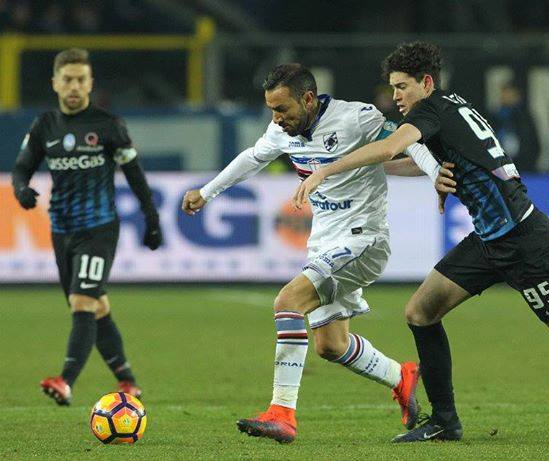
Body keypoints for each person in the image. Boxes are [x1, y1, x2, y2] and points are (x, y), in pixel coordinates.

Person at [293, 41, 549, 442]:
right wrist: (398, 173)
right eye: (393, 87)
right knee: (420, 311)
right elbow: (428, 161)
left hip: (524, 242)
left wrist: (325, 170)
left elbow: (388, 148)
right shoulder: (452, 107)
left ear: (426, 82)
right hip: (490, 240)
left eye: (402, 86)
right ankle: (444, 421)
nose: (396, 95)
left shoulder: (430, 110)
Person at [181, 63, 440, 443]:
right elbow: (253, 157)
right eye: (271, 110)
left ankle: (282, 413)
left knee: (288, 301)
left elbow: (412, 143)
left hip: (364, 239)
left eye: (282, 109)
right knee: (331, 345)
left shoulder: (356, 118)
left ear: (307, 99)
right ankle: (400, 376)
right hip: (324, 242)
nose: (276, 118)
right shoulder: (281, 130)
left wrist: (436, 175)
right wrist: (207, 192)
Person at [11, 48, 162, 405]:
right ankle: (128, 381)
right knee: (95, 306)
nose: (75, 86)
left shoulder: (109, 125)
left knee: (82, 302)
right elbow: (21, 168)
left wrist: (151, 218)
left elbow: (134, 173)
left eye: (81, 79)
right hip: (61, 230)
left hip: (99, 229)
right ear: (55, 83)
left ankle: (65, 381)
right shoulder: (44, 126)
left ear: (90, 83)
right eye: (68, 80)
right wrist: (20, 190)